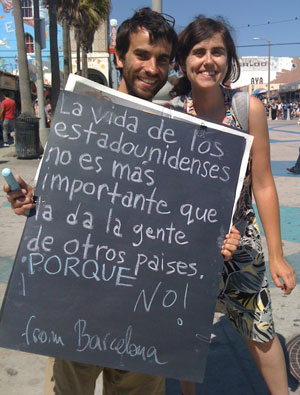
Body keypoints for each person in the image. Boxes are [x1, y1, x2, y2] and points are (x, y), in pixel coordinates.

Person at [4, 9, 241, 395]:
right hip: (74, 311)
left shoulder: (183, 134)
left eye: (162, 59)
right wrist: (31, 200)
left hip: (146, 322)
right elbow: (58, 194)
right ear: (118, 56)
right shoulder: (81, 117)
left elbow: (192, 219)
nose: (152, 68)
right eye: (142, 55)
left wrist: (219, 238)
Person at [167, 16, 296, 395]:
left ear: (229, 59)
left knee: (260, 326)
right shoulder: (171, 113)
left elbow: (264, 184)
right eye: (198, 52)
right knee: (184, 325)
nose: (208, 60)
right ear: (183, 60)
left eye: (217, 52)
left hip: (242, 241)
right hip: (184, 241)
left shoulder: (246, 108)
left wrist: (276, 253)